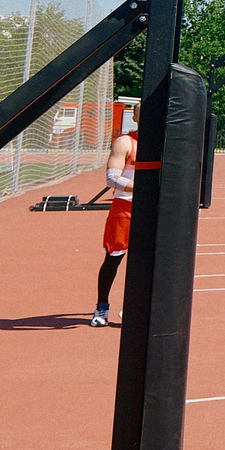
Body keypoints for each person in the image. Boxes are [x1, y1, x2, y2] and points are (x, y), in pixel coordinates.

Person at [93, 108, 137, 327]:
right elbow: (112, 178)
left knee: (147, 261)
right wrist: (142, 188)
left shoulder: (164, 142)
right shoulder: (126, 142)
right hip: (125, 208)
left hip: (152, 208)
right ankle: (102, 307)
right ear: (136, 118)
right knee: (113, 259)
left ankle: (135, 308)